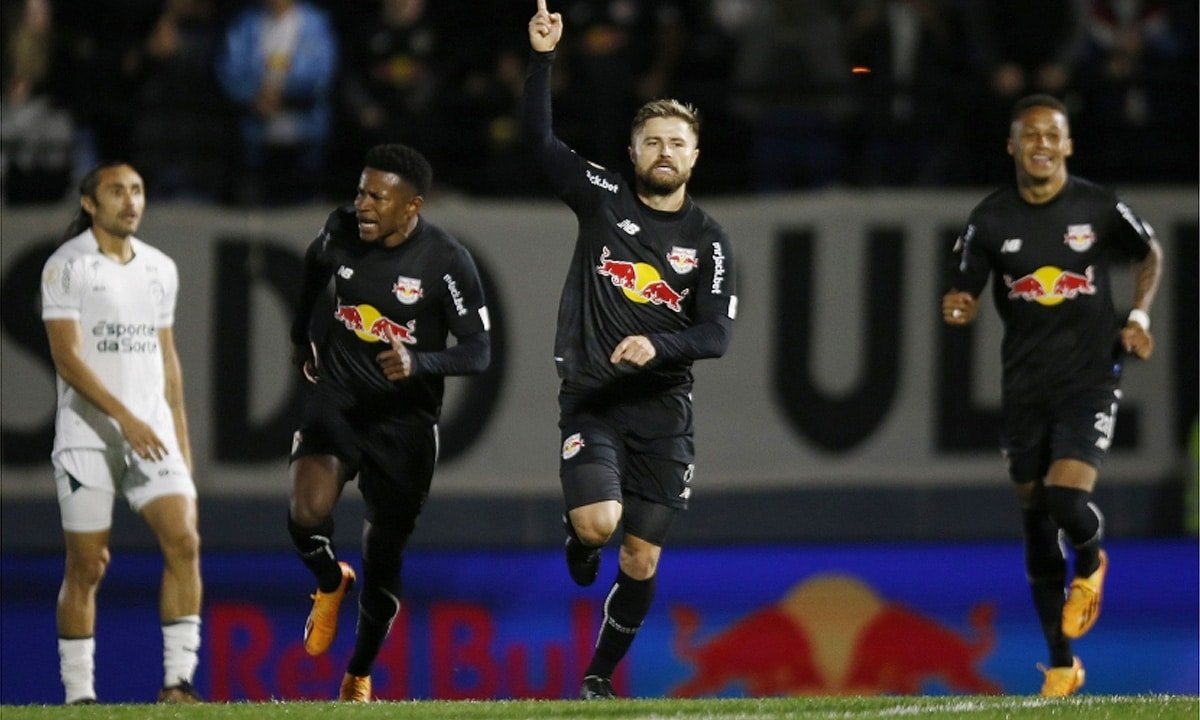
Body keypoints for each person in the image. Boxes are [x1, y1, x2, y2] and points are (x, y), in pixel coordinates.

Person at [525, 0, 738, 700]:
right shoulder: (603, 197)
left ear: (695, 156)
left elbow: (715, 334)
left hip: (663, 411)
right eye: (652, 141)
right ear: (632, 152)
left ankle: (596, 677)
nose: (664, 152)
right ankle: (580, 540)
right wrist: (542, 59)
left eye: (677, 142)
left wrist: (661, 343)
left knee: (642, 558)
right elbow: (541, 146)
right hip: (594, 397)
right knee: (601, 523)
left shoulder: (708, 241)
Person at [942, 94, 1163, 697]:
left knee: (1066, 498)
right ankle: (1062, 665)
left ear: (1068, 146)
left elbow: (1149, 251)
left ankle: (1091, 561)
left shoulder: (1096, 206)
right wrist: (959, 303)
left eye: (1052, 135)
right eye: (1029, 135)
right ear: (1012, 147)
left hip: (1090, 377)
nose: (1041, 144)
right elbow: (964, 283)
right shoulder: (989, 219)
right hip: (1024, 385)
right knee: (1036, 521)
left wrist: (1139, 316)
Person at [286, 143, 492, 702]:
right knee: (306, 513)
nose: (364, 205)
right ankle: (331, 581)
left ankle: (358, 672)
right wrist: (302, 332)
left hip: (405, 422)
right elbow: (315, 265)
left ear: (413, 206)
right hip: (341, 399)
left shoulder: (447, 261)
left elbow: (479, 350)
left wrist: (419, 361)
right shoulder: (342, 230)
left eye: (378, 196)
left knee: (385, 560)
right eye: (360, 191)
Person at [40, 162, 203, 705]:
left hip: (151, 433)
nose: (130, 201)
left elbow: (168, 362)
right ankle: (79, 694)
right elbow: (67, 359)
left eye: (137, 190)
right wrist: (124, 419)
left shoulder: (160, 268)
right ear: (90, 203)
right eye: (116, 192)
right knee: (88, 565)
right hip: (89, 436)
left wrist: (179, 441)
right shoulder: (67, 267)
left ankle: (177, 684)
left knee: (184, 539)